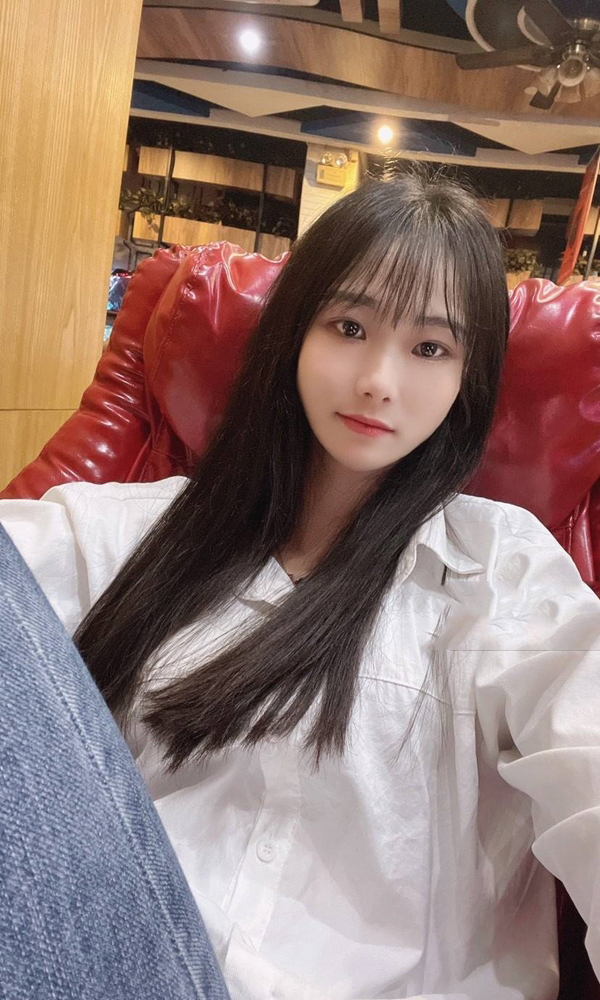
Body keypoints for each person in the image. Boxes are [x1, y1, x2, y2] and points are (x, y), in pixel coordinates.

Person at [1, 169, 599, 1000]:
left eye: (430, 348)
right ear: (294, 334)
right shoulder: (141, 532)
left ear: (470, 377)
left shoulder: (504, 572)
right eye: (349, 327)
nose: (378, 380)